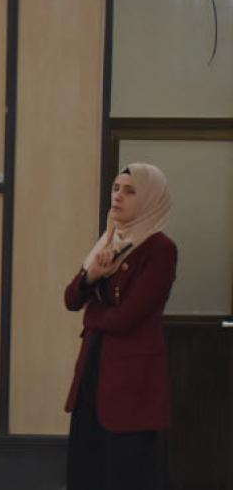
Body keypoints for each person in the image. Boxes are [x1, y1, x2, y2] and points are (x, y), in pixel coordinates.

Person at [64, 163, 177, 490]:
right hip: (94, 367)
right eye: (116, 188)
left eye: (129, 191)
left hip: (131, 377)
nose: (117, 197)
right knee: (88, 464)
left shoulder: (160, 249)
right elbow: (71, 298)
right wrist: (92, 276)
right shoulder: (109, 241)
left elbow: (128, 316)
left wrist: (92, 315)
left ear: (150, 199)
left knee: (125, 468)